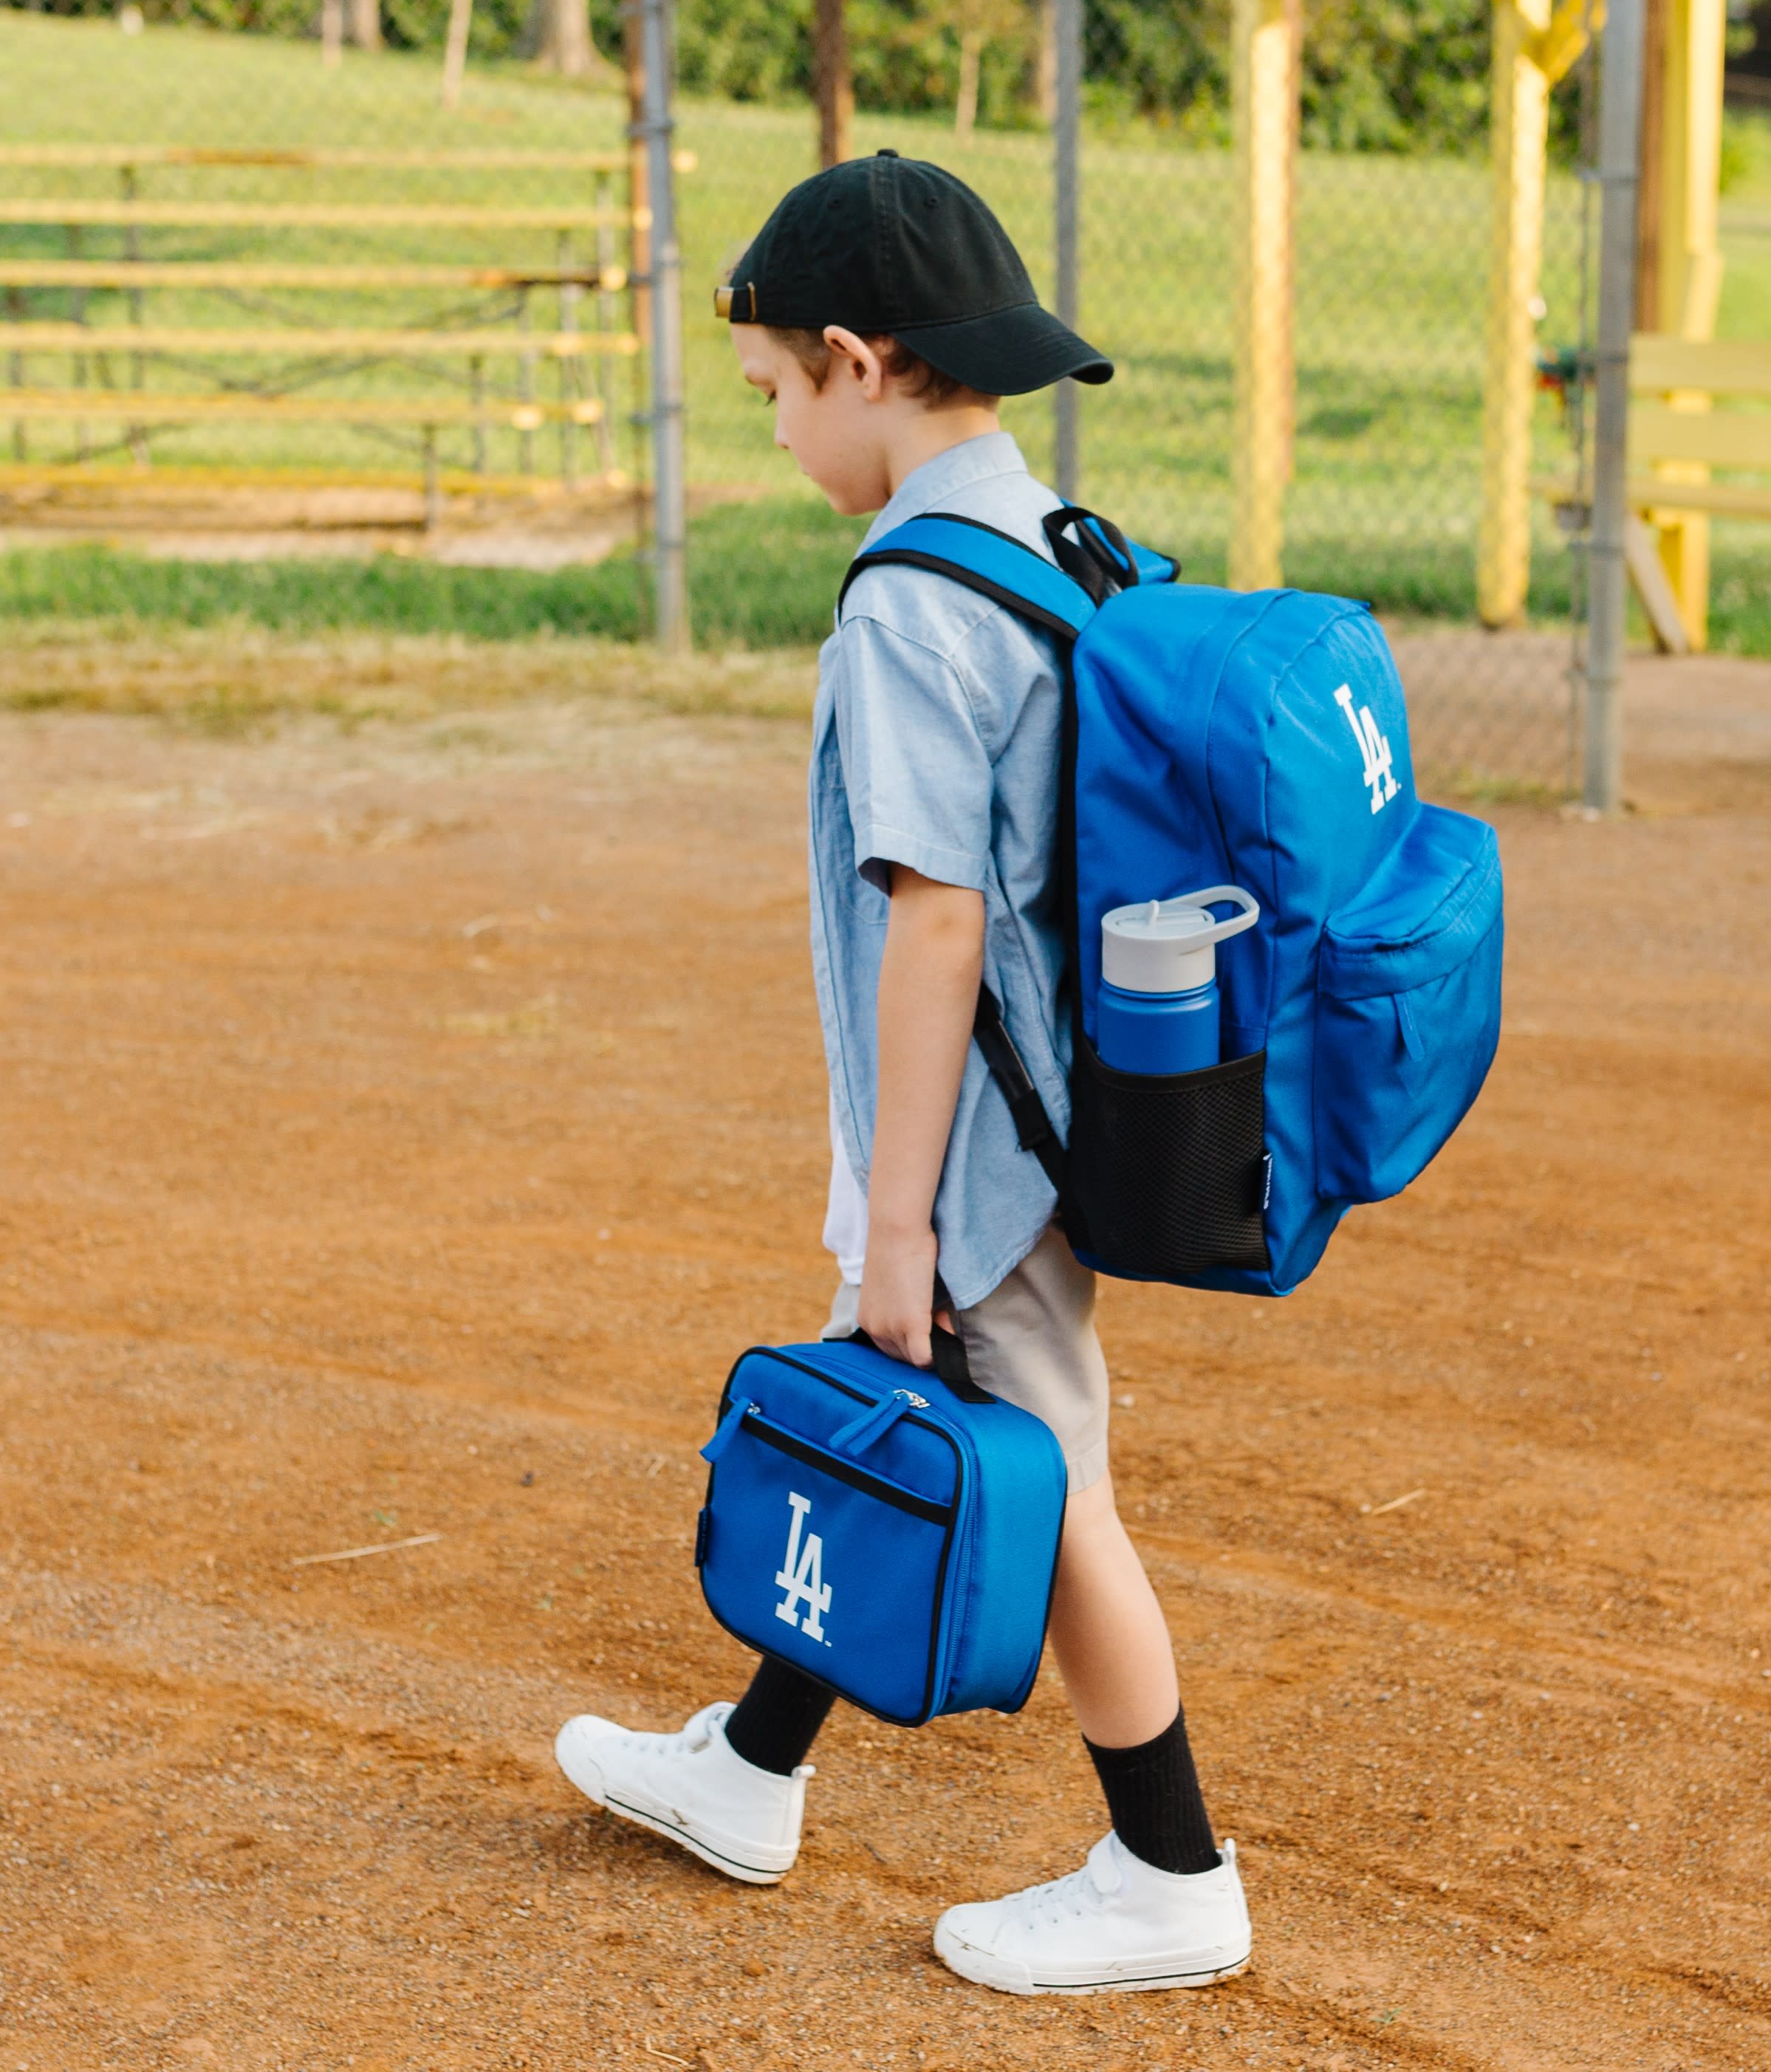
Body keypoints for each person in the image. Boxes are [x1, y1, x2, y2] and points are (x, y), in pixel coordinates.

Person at [552, 151, 1249, 1997]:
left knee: (1045, 1478)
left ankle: (1168, 1865)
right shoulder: (1044, 534)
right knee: (904, 1414)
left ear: (861, 362)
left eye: (778, 389)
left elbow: (936, 922)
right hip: (1053, 1107)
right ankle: (755, 1763)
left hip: (981, 1150)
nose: (777, 427)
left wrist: (894, 1211)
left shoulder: (905, 606)